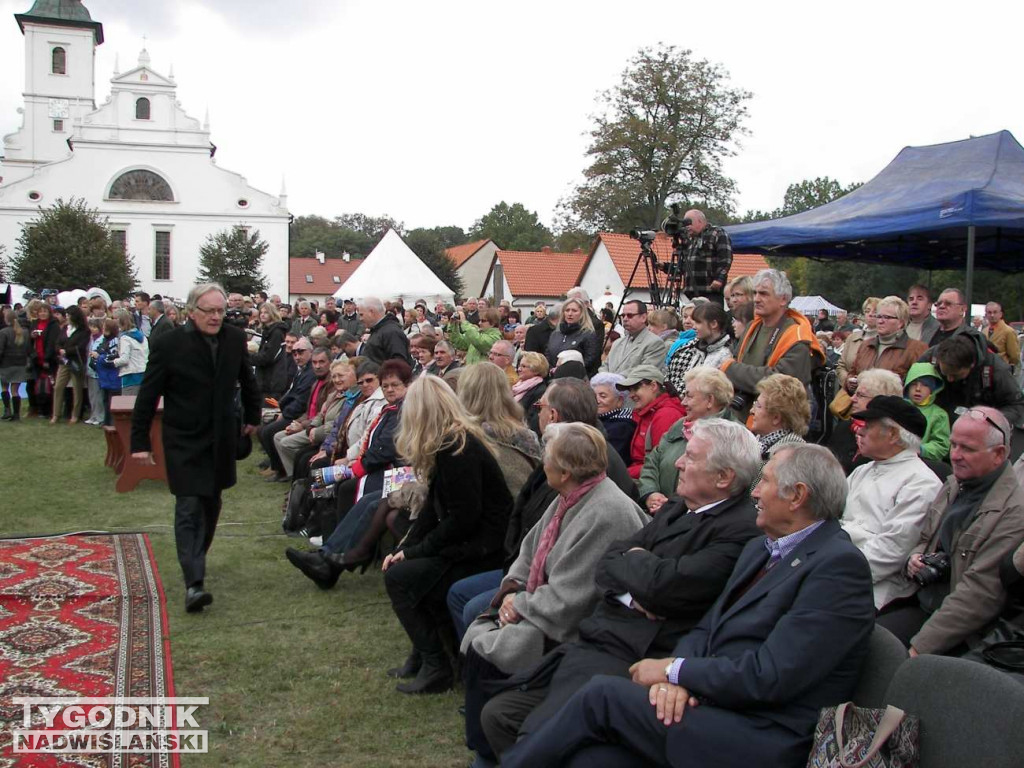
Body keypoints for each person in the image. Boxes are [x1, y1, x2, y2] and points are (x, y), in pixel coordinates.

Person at [501, 443, 875, 768]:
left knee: (602, 694)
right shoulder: (761, 549)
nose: (756, 493)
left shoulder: (838, 568)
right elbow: (706, 628)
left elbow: (771, 675)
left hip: (763, 734)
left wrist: (677, 671)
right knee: (591, 761)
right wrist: (675, 678)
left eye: (766, 482)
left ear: (797, 496)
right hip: (715, 708)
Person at [480, 420, 762, 761]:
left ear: (724, 477)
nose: (678, 463)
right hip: (599, 637)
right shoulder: (679, 506)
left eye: (690, 456)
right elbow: (608, 562)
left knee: (534, 730)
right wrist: (639, 579)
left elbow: (664, 587)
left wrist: (637, 568)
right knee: (497, 713)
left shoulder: (740, 530)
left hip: (634, 654)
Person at [461, 423, 647, 763]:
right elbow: (528, 551)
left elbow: (571, 598)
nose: (541, 461)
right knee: (478, 633)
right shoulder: (570, 496)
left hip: (570, 628)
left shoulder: (607, 512)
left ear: (564, 471)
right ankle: (485, 744)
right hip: (538, 604)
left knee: (486, 647)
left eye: (546, 457)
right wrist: (511, 590)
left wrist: (519, 606)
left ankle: (488, 750)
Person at [130, 283, 261, 613]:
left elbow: (248, 380)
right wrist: (139, 442)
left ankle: (195, 561)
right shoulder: (169, 344)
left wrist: (252, 417)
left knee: (211, 503)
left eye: (221, 311)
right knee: (188, 505)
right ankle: (194, 583)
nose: (216, 317)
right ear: (192, 312)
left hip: (221, 437)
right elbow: (148, 395)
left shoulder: (233, 338)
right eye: (210, 311)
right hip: (184, 438)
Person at [381, 376, 513, 695]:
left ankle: (435, 663)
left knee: (400, 578)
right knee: (403, 570)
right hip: (471, 543)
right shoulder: (450, 443)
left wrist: (415, 551)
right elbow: (433, 509)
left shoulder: (458, 449)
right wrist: (408, 546)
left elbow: (462, 519)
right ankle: (426, 655)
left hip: (484, 550)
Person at [878, 407, 1024, 656]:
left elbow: (980, 595)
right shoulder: (955, 484)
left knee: (882, 657)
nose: (954, 455)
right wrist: (917, 556)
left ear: (999, 454)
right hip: (919, 600)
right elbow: (925, 538)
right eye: (953, 445)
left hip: (962, 630)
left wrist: (918, 648)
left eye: (967, 448)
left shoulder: (1014, 511)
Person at [843, 396, 942, 610]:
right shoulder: (863, 470)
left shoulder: (921, 483)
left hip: (873, 586)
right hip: (835, 563)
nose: (860, 432)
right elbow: (829, 516)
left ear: (894, 434)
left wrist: (832, 570)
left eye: (868, 426)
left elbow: (890, 552)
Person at [722, 269, 824, 423]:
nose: (756, 299)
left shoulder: (796, 335)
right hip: (742, 418)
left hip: (776, 423)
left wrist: (729, 369)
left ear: (783, 299)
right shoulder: (752, 327)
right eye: (755, 293)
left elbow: (780, 383)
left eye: (763, 294)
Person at [638, 367, 734, 514]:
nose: (683, 402)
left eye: (689, 396)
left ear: (710, 400)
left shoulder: (731, 436)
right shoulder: (679, 425)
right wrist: (651, 494)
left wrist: (672, 507)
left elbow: (714, 487)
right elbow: (652, 461)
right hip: (662, 514)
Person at [924, 332, 1024, 426]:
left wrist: (990, 422)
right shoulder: (933, 356)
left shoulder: (997, 370)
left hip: (982, 430)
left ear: (972, 365)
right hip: (941, 426)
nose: (950, 379)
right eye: (945, 374)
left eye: (955, 375)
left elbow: (1015, 406)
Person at [844, 295, 927, 394]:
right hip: (862, 406)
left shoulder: (916, 349)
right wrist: (850, 382)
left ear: (901, 323)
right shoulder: (866, 345)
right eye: (878, 316)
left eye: (887, 317)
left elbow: (919, 386)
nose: (880, 321)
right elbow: (852, 372)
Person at [258, 338, 315, 479]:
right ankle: (275, 465)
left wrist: (284, 414)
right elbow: (292, 395)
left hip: (300, 415)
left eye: (301, 352)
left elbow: (301, 401)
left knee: (268, 432)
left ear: (311, 352)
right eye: (294, 353)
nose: (297, 356)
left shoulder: (310, 372)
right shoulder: (302, 371)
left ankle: (280, 470)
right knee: (263, 429)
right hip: (291, 411)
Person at [616, 365, 686, 480]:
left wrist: (623, 474)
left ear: (653, 386)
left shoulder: (666, 415)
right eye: (630, 390)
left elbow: (661, 464)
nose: (631, 395)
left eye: (635, 388)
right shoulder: (646, 412)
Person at [665, 302, 733, 396]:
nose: (694, 327)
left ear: (713, 324)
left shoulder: (726, 354)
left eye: (698, 322)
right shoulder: (695, 348)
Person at [749, 373, 809, 479]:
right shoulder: (759, 442)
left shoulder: (790, 457)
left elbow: (757, 494)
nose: (751, 411)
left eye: (758, 406)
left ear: (776, 418)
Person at [678, 209, 732, 304]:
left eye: (689, 223)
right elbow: (684, 266)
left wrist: (719, 279)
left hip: (710, 292)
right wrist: (664, 266)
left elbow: (725, 258)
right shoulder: (689, 240)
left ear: (700, 221)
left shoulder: (717, 233)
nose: (687, 227)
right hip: (692, 295)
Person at [601, 300, 668, 376]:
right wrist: (603, 379)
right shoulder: (617, 343)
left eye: (630, 315)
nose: (625, 319)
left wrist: (613, 379)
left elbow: (645, 372)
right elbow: (605, 366)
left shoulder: (655, 343)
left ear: (643, 317)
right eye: (623, 315)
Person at [51, 305, 90, 424]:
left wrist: (67, 351)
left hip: (76, 362)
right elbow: (57, 342)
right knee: (58, 387)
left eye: (69, 315)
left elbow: (81, 346)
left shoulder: (84, 331)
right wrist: (59, 350)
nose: (66, 317)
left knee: (77, 389)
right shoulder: (65, 329)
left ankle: (75, 415)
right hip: (64, 362)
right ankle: (56, 414)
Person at [904, 362, 951, 462]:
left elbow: (941, 445)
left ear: (932, 389)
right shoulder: (898, 406)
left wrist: (921, 450)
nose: (918, 389)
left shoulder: (939, 414)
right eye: (913, 384)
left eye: (925, 385)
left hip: (923, 463)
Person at [546, 298, 600, 376]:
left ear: (582, 313)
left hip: (576, 380)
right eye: (567, 310)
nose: (570, 313)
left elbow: (590, 361)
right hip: (553, 379)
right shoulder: (555, 334)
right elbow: (548, 354)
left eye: (574, 311)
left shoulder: (588, 334)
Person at [590, 372, 635, 463]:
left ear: (619, 401)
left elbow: (607, 459)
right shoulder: (598, 419)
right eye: (594, 396)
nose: (597, 401)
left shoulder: (622, 426)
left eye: (603, 396)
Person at [250, 302, 290, 399]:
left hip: (271, 381)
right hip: (266, 379)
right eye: (261, 312)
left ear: (272, 313)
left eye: (266, 312)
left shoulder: (276, 332)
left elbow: (267, 357)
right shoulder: (268, 331)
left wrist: (246, 357)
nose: (262, 315)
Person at [837, 297, 879, 389]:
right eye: (867, 311)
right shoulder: (852, 338)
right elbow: (841, 365)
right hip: (847, 391)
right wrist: (847, 380)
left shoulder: (883, 340)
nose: (871, 314)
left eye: (875, 312)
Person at [356, 297, 411, 364]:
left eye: (361, 314)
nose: (360, 319)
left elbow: (399, 364)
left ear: (371, 312)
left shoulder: (391, 332)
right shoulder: (378, 330)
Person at [0, 307, 30, 420]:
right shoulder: (24, 332)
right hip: (20, 364)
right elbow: (28, 349)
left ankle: (7, 410)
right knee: (15, 391)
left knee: (4, 388)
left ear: (6, 319)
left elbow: (0, 350)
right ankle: (16, 414)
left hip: (6, 364)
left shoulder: (3, 332)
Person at [111, 308, 148, 395]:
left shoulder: (125, 338)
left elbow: (124, 359)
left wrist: (113, 362)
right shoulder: (142, 336)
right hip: (143, 374)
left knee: (128, 405)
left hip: (130, 376)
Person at [513, 351, 549, 435]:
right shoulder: (518, 386)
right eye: (519, 365)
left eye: (524, 366)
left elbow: (532, 421)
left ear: (536, 370)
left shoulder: (541, 391)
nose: (519, 369)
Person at [985, 301, 1021, 370]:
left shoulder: (1008, 331)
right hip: (987, 370)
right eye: (989, 312)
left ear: (1000, 314)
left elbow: (1014, 356)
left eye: (995, 312)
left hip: (1003, 371)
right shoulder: (984, 331)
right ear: (986, 315)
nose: (992, 315)